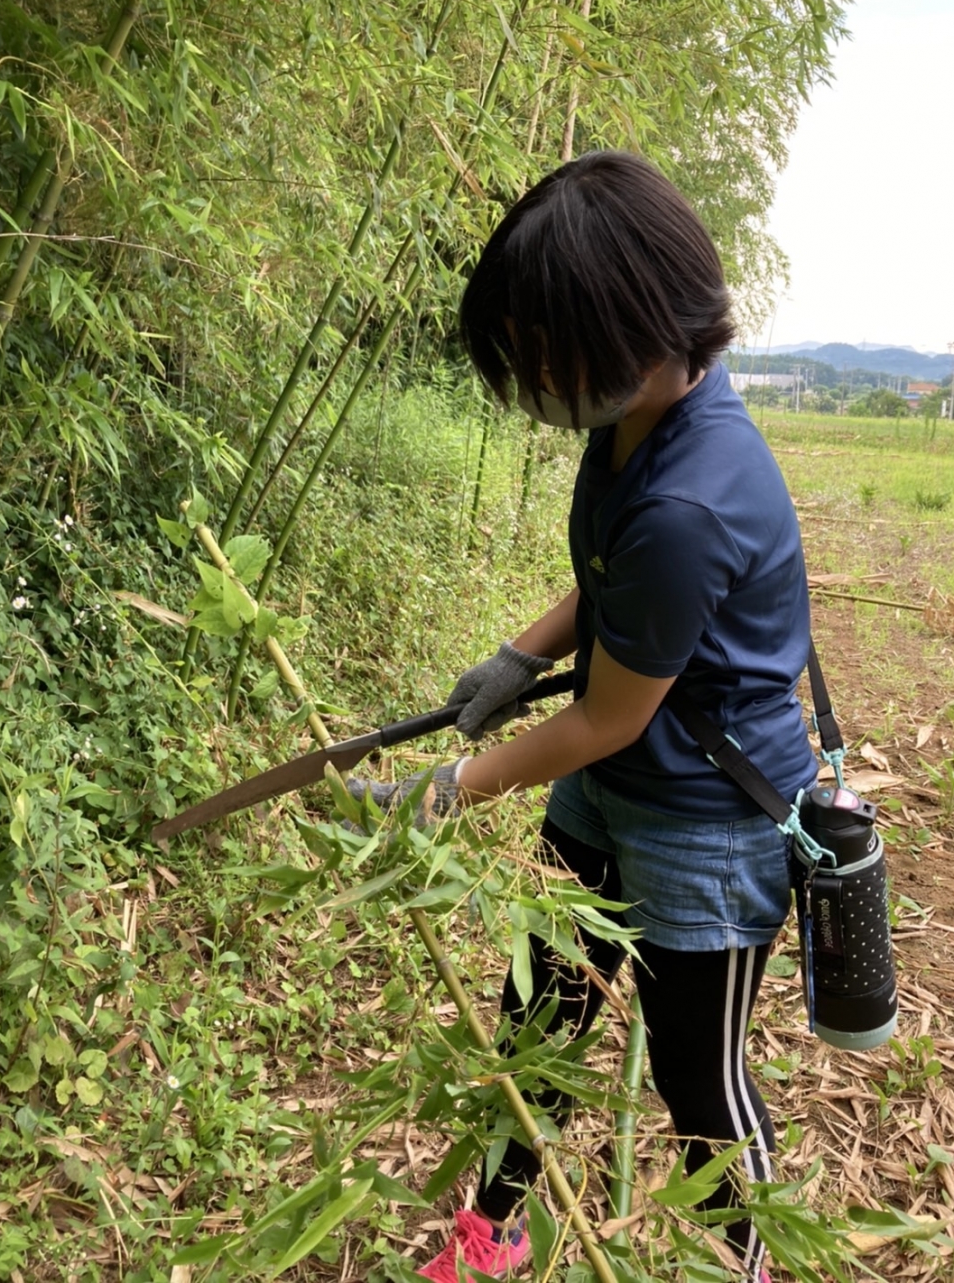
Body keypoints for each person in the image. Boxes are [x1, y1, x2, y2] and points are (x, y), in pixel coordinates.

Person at [348, 150, 818, 1283]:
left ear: (641, 328)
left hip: (705, 822)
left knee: (697, 1083)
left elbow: (606, 716)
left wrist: (451, 786)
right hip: (614, 790)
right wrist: (521, 651)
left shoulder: (697, 494)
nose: (535, 371)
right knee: (537, 1028)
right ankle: (494, 1233)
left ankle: (746, 1265)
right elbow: (611, 579)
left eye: (548, 345)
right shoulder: (639, 424)